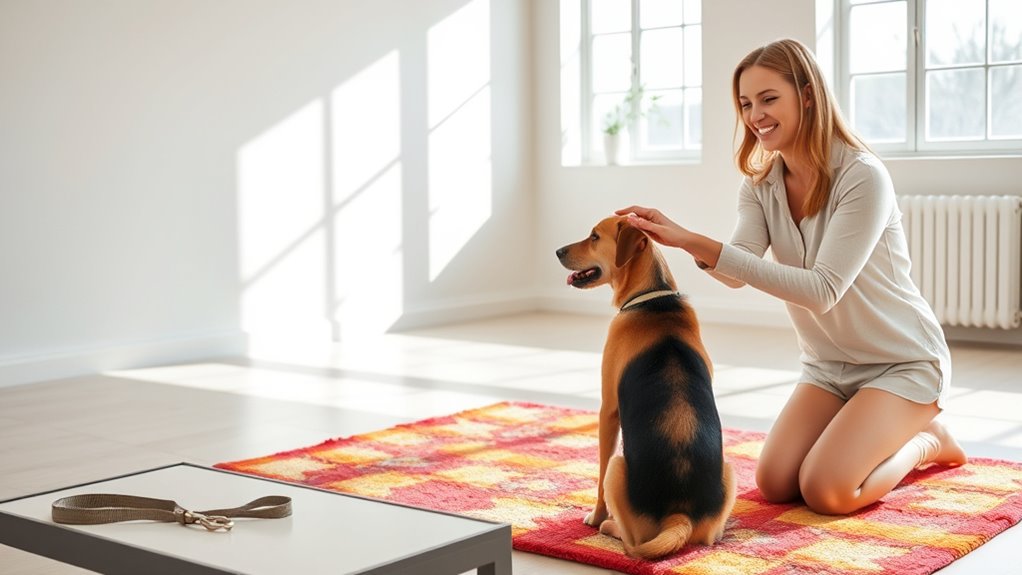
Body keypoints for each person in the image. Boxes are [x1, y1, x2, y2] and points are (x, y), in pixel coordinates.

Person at [617, 38, 967, 516]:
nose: (755, 115)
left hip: (901, 363)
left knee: (827, 490)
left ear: (806, 95)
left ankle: (928, 440)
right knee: (776, 481)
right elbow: (737, 270)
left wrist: (696, 239)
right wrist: (684, 241)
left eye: (768, 99)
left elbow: (823, 291)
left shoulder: (863, 176)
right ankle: (874, 426)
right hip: (829, 367)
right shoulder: (760, 186)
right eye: (745, 103)